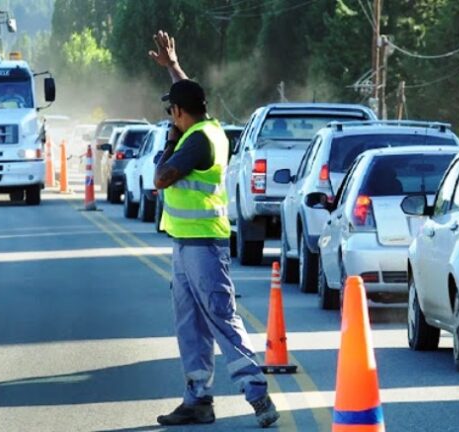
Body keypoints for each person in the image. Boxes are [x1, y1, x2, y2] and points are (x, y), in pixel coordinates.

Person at [148, 30, 280, 429]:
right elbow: (188, 94)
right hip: (187, 246)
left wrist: (170, 139)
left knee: (221, 319)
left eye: (172, 111)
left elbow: (160, 178)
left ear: (179, 114)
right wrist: (173, 67)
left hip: (203, 248)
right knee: (189, 323)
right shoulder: (203, 126)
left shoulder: (195, 141)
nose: (171, 115)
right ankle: (197, 400)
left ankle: (258, 396)